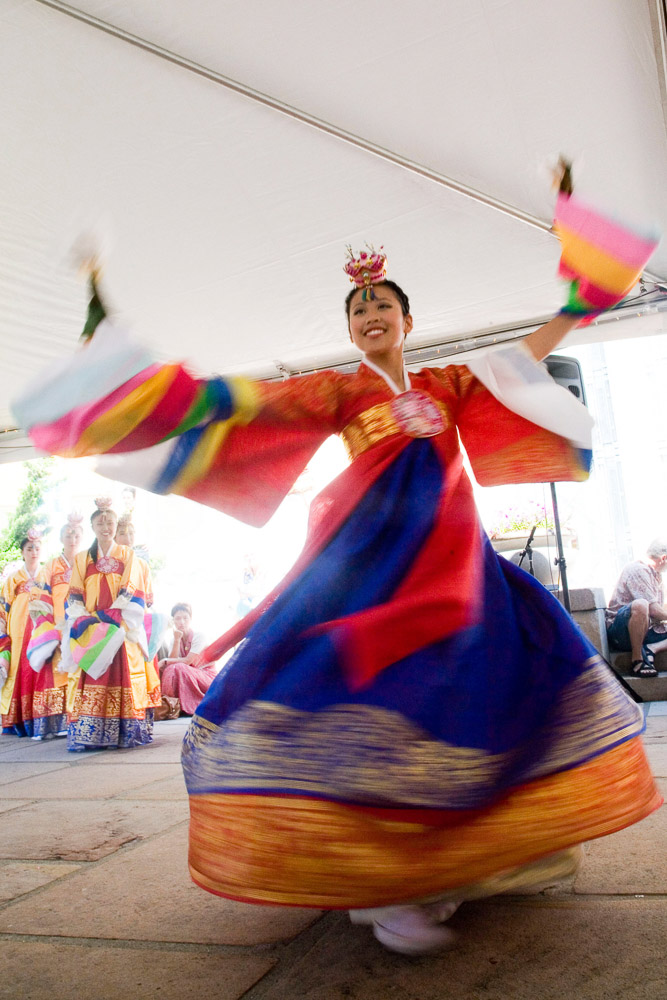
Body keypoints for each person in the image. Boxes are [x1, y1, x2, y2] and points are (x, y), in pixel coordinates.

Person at [12, 190, 662, 952]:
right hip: (378, 578)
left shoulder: (448, 384)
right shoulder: (339, 390)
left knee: (490, 701)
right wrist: (134, 382)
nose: (370, 315)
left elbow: (519, 363)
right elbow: (241, 405)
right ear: (350, 330)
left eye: (382, 304)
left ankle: (478, 859)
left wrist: (580, 301)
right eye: (358, 310)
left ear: (408, 319)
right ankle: (393, 885)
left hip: (463, 576)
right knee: (374, 704)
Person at [61, 499, 161, 750]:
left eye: (110, 523)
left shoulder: (129, 555)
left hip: (120, 623)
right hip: (92, 625)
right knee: (91, 672)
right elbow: (74, 594)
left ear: (116, 526)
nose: (105, 528)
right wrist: (86, 620)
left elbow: (131, 590)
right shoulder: (83, 558)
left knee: (121, 672)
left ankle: (124, 733)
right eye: (100, 523)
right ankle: (90, 734)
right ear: (92, 527)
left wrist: (114, 618)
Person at [0, 529, 67, 737]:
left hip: (41, 625)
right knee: (19, 668)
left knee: (43, 665)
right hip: (18, 627)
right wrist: (3, 628)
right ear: (22, 552)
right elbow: (4, 606)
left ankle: (45, 718)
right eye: (29, 548)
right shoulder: (14, 578)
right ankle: (19, 720)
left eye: (37, 548)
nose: (34, 552)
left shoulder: (46, 573)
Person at [606, 539, 667, 678]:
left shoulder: (656, 575)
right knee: (641, 604)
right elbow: (654, 610)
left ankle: (652, 649)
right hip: (621, 631)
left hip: (645, 629)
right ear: (664, 558)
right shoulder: (638, 569)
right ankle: (638, 659)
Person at [158, 603, 216, 715]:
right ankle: (172, 705)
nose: (182, 622)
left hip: (207, 677)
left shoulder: (199, 636)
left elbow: (188, 661)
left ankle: (192, 705)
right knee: (170, 669)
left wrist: (164, 661)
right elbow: (171, 663)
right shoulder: (173, 639)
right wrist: (177, 640)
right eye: (178, 618)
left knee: (180, 667)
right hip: (189, 675)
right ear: (173, 621)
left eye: (185, 618)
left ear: (190, 619)